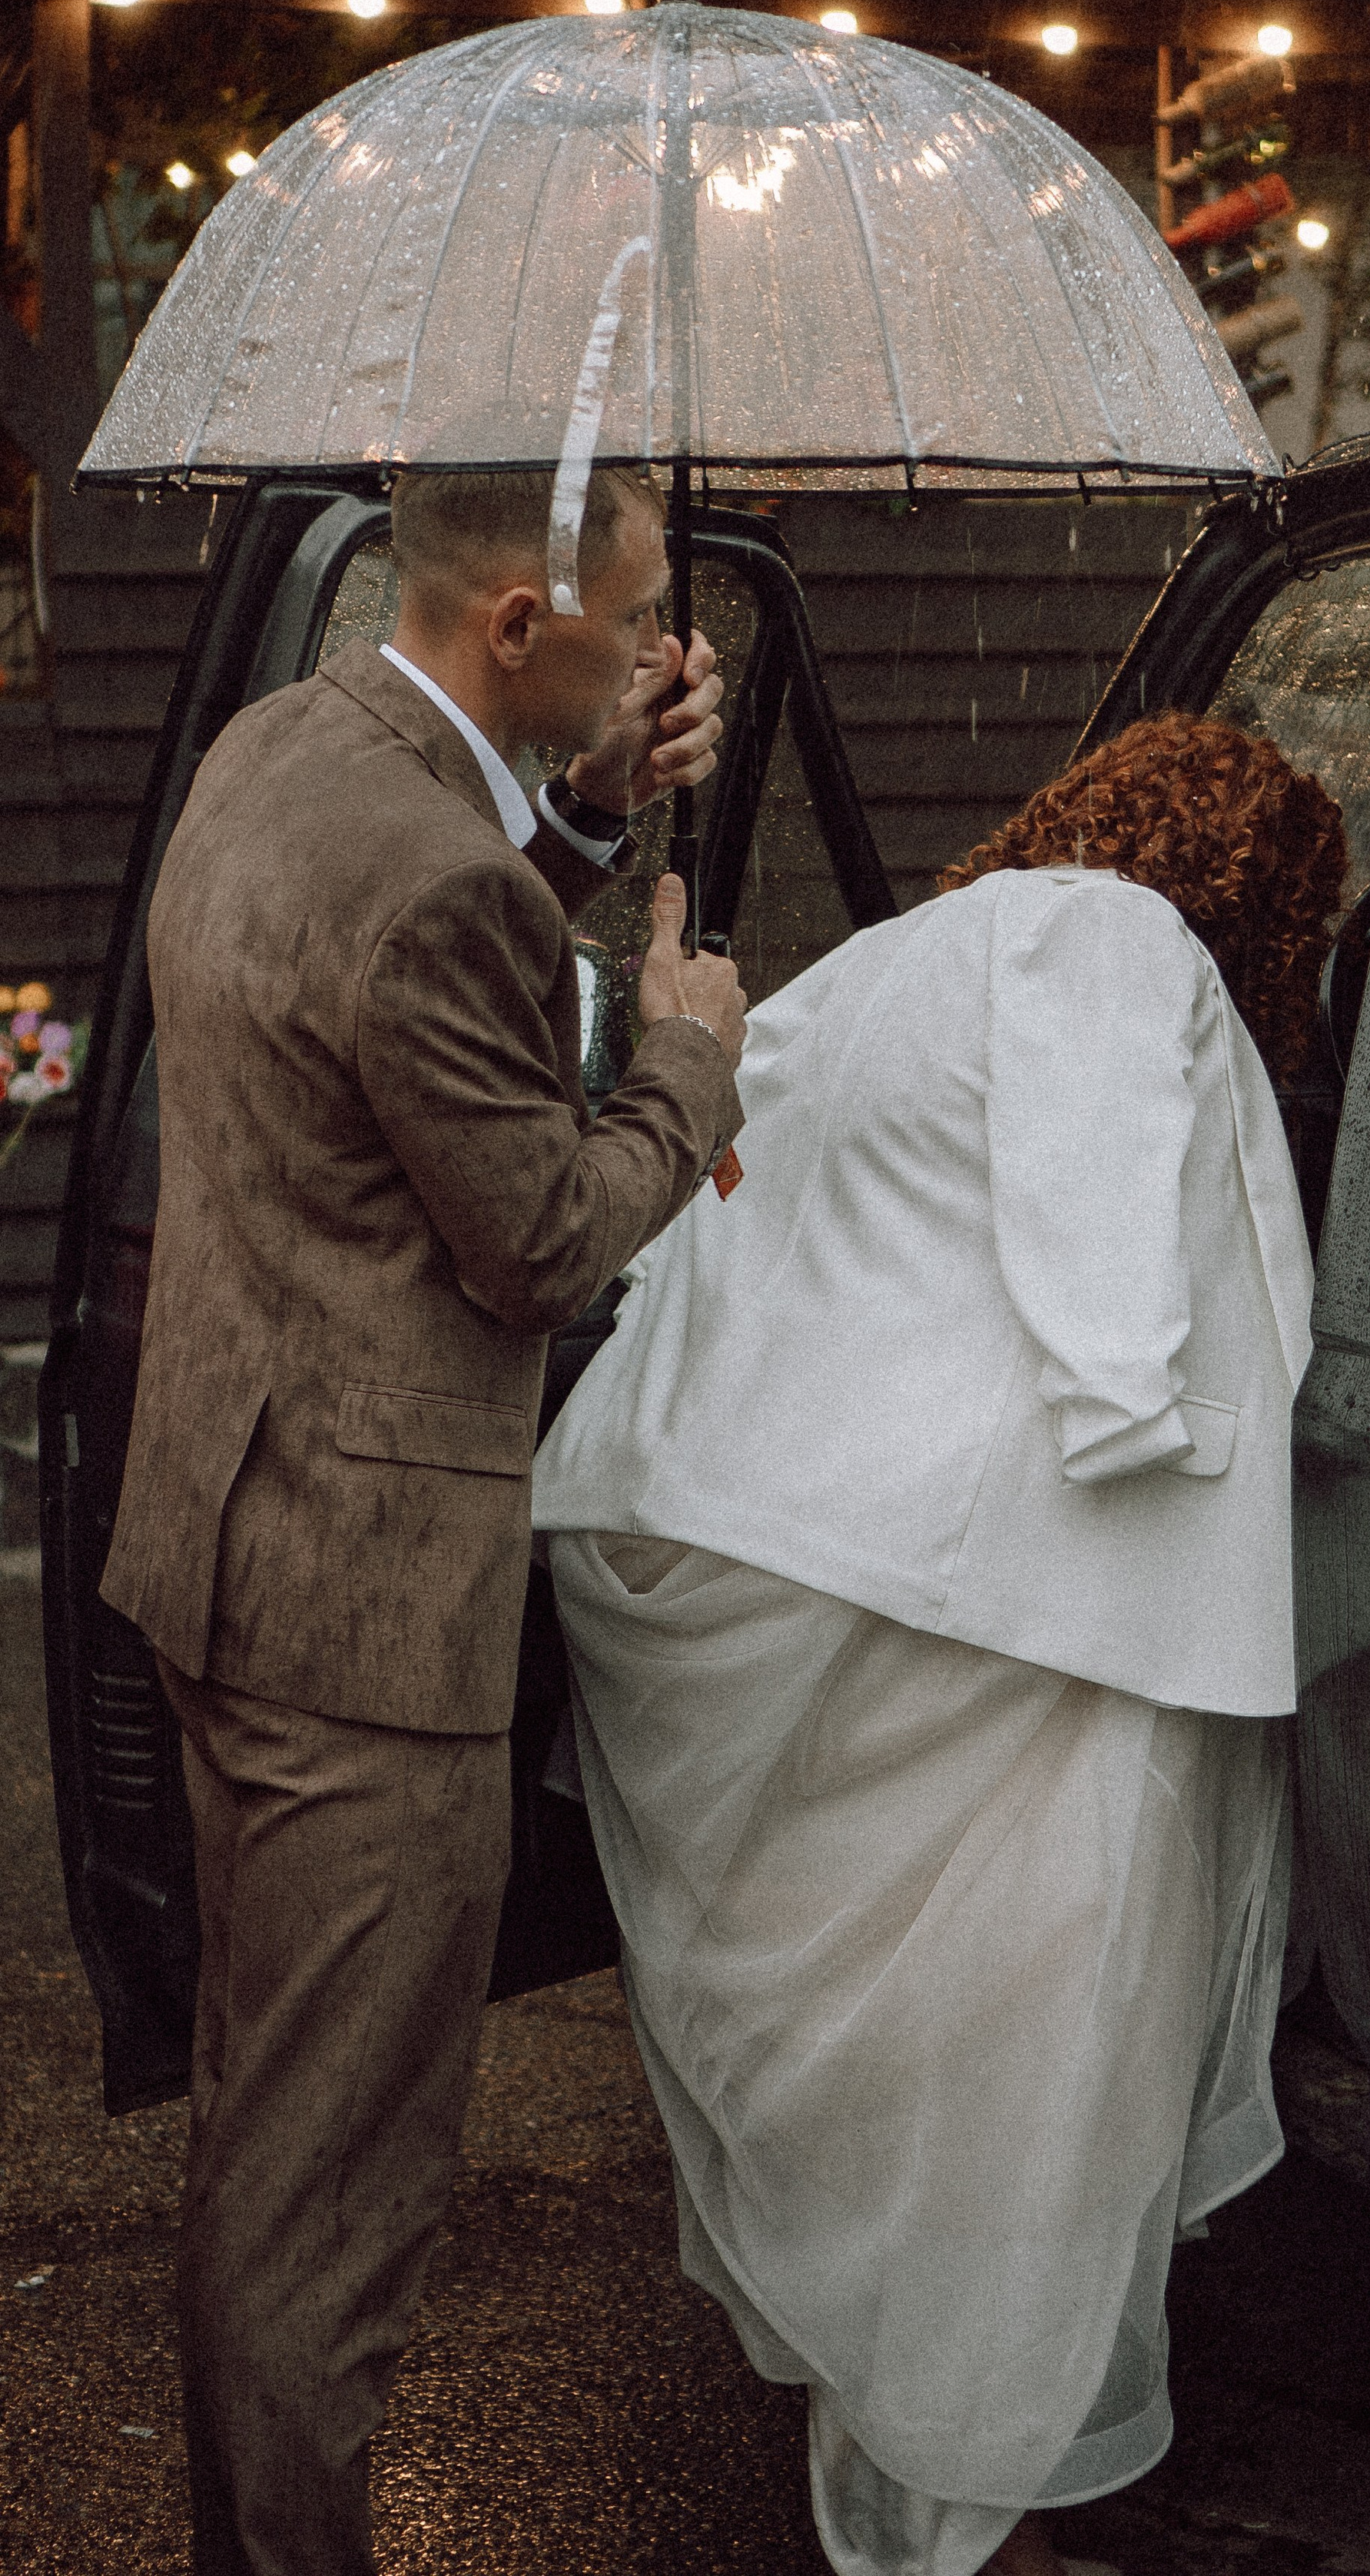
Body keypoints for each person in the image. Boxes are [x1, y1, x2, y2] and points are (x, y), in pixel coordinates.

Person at [534, 712, 1348, 2576]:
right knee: (1029, 2074)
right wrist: (1159, 1420)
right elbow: (1102, 1268)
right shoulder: (1107, 939)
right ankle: (975, 2501)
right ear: (1254, 888)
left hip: (755, 1563)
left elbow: (714, 1213)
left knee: (901, 2075)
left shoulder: (899, 956)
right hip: (979, 1605)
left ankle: (947, 2467)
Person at [98, 463, 750, 2576]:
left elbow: (415, 982)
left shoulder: (287, 743)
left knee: (258, 2125)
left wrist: (590, 800)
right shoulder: (434, 885)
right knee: (337, 2197)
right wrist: (687, 1062)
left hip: (217, 1537)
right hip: (368, 1622)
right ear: (510, 625)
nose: (665, 655)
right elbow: (543, 1239)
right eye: (636, 625)